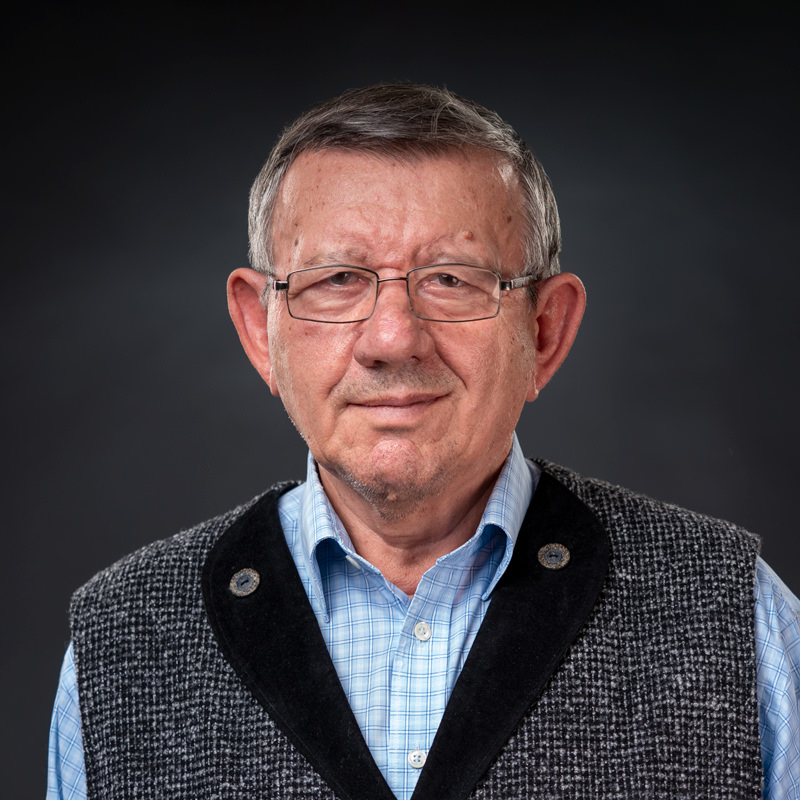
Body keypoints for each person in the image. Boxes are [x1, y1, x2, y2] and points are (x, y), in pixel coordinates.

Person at [47, 83, 800, 800]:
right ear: (258, 329)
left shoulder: (737, 619)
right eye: (338, 279)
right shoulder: (122, 648)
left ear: (544, 331)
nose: (392, 339)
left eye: (451, 279)